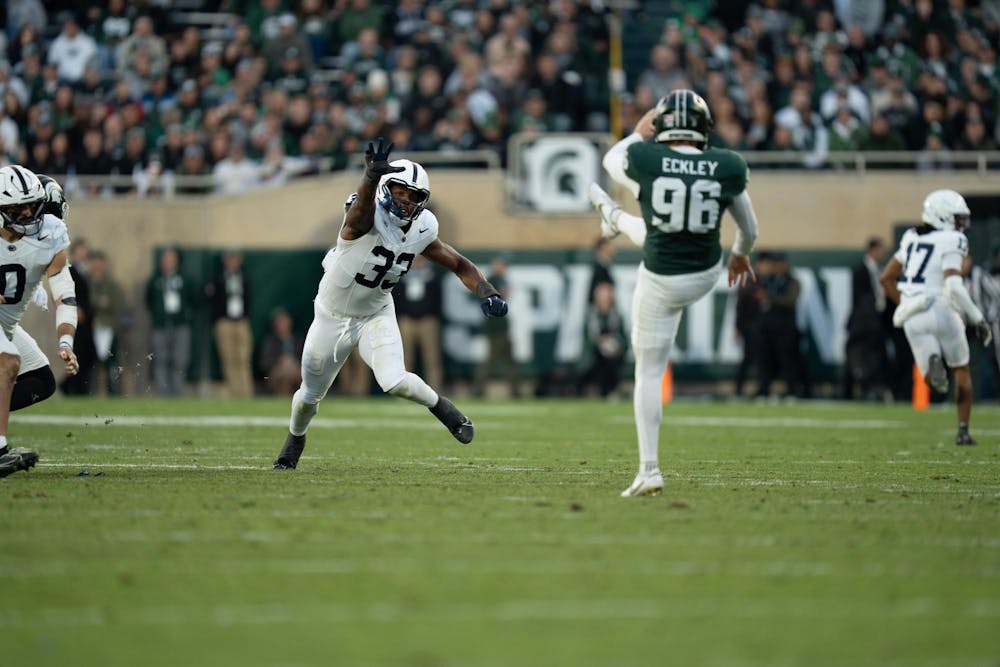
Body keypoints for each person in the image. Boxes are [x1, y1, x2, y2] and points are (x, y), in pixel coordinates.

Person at [272, 139, 508, 470]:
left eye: (413, 196)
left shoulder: (423, 228)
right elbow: (359, 215)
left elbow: (459, 264)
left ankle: (444, 409)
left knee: (393, 380)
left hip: (375, 312)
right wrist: (369, 177)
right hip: (331, 315)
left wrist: (487, 291)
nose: (406, 200)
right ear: (385, 188)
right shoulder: (364, 214)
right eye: (400, 191)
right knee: (309, 396)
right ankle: (295, 438)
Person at [588, 90, 759, 497]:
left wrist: (636, 131)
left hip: (662, 277)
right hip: (705, 272)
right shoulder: (727, 164)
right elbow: (750, 230)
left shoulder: (648, 158)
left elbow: (612, 161)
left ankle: (649, 469)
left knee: (647, 371)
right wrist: (739, 255)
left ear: (661, 126)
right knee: (654, 230)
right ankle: (614, 218)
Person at [880, 189, 991, 446]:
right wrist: (978, 319)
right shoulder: (953, 239)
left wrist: (906, 302)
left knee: (932, 380)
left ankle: (934, 368)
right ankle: (963, 430)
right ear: (943, 216)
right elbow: (953, 286)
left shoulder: (910, 237)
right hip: (940, 307)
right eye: (957, 217)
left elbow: (886, 278)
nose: (961, 224)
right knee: (961, 367)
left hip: (912, 313)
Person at [0, 166, 80, 479]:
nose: (29, 213)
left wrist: (65, 341)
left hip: (6, 323)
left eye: (33, 205)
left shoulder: (50, 233)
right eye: (19, 208)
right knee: (8, 361)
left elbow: (66, 295)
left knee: (41, 382)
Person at [145, 247, 195, 397]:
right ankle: (163, 394)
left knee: (180, 360)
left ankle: (176, 393)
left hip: (180, 325)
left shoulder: (184, 279)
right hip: (161, 325)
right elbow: (149, 300)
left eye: (171, 259)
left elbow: (193, 299)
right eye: (166, 259)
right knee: (161, 359)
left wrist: (185, 315)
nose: (168, 262)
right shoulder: (155, 280)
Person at [845, 237, 890, 400]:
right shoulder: (860, 271)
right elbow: (859, 300)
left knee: (875, 360)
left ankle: (874, 390)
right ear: (872, 250)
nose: (884, 253)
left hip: (877, 323)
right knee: (858, 358)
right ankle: (854, 392)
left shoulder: (880, 270)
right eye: (881, 249)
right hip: (864, 324)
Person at [205, 249, 254, 398]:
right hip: (224, 322)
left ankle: (246, 394)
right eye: (230, 258)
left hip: (241, 322)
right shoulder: (218, 279)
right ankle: (234, 394)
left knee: (243, 359)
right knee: (229, 360)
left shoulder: (244, 277)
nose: (233, 262)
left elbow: (249, 298)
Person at [392, 253, 444, 390]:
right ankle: (404, 390)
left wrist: (433, 315)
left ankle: (436, 391)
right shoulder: (401, 274)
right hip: (406, 320)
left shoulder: (433, 274)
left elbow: (438, 298)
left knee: (432, 358)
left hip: (428, 321)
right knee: (405, 358)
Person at [472, 255, 518, 398]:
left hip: (502, 325)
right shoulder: (490, 281)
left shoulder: (500, 280)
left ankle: (515, 391)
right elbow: (481, 297)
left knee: (509, 361)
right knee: (491, 362)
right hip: (495, 326)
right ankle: (478, 390)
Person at [579, 282, 627, 398]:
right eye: (602, 295)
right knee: (599, 360)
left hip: (614, 357)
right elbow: (588, 339)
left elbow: (624, 339)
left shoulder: (616, 315)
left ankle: (611, 390)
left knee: (612, 358)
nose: (605, 299)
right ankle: (600, 389)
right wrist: (600, 342)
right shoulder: (591, 315)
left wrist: (615, 343)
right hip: (594, 356)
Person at [258, 307, 304, 396]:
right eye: (279, 322)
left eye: (284, 322)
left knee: (304, 376)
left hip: (296, 369)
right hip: (278, 372)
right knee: (284, 376)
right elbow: (264, 363)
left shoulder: (298, 340)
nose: (282, 325)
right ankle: (283, 400)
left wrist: (295, 362)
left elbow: (306, 358)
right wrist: (279, 362)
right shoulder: (270, 342)